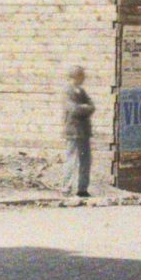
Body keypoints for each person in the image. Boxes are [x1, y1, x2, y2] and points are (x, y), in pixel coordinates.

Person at [60, 65, 95, 198]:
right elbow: (73, 109)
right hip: (73, 131)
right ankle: (66, 188)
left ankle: (82, 189)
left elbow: (92, 106)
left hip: (84, 131)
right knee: (72, 159)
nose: (84, 78)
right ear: (76, 76)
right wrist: (85, 108)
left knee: (85, 160)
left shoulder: (81, 91)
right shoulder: (67, 91)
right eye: (82, 75)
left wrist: (85, 108)